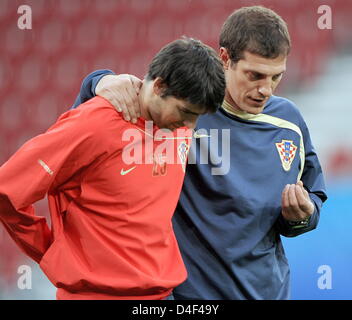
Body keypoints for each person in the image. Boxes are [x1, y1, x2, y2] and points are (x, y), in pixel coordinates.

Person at [72, 6, 328, 299]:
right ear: (224, 59)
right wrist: (98, 82)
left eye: (275, 77)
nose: (266, 89)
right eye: (254, 75)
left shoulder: (289, 122)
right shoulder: (184, 111)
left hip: (267, 292)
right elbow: (85, 127)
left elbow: (313, 195)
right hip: (190, 296)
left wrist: (302, 215)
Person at [0, 37, 225, 300]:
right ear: (160, 86)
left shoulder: (178, 127)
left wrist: (98, 79)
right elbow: (7, 191)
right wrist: (52, 252)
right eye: (185, 112)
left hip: (162, 294)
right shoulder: (94, 123)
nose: (190, 126)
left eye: (196, 118)